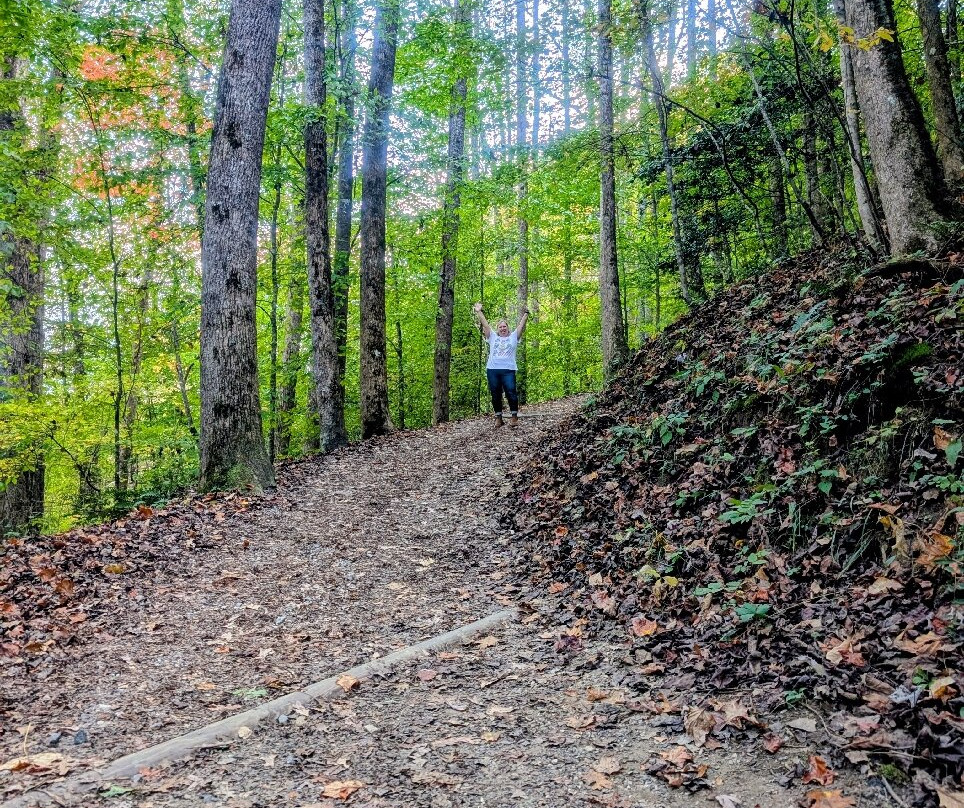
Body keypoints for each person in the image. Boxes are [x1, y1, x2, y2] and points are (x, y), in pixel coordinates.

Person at [473, 302, 528, 427]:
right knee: (495, 393)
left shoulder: (513, 337)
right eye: (500, 327)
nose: (503, 328)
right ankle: (498, 418)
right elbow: (485, 325)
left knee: (511, 392)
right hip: (493, 370)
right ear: (498, 329)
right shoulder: (492, 337)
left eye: (504, 326)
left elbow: (521, 326)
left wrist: (526, 313)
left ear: (508, 328)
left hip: (508, 370)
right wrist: (479, 311)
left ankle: (514, 417)